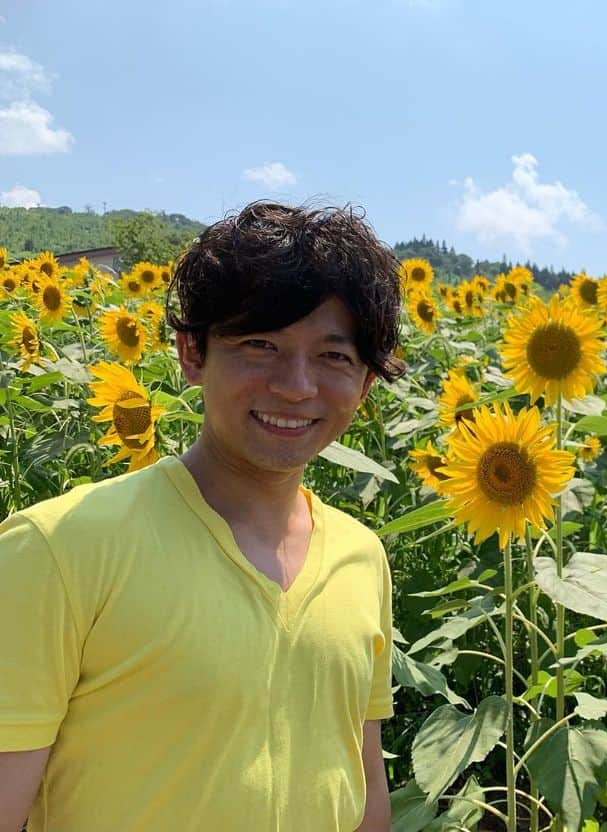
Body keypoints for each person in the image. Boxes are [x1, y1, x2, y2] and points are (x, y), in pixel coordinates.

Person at [0, 202, 405, 831]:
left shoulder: (361, 558)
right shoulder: (57, 549)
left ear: (367, 382)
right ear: (193, 352)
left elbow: (361, 779)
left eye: (333, 357)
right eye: (261, 345)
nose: (296, 386)